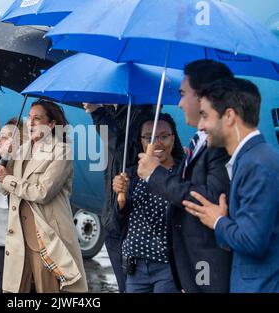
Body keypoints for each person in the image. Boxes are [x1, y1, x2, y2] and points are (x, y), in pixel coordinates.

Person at [137, 60, 234, 292]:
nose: (179, 104)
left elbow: (209, 198)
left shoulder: (220, 144)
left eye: (182, 94)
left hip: (209, 268)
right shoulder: (197, 140)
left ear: (202, 96)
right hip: (189, 269)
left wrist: (155, 175)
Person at [183, 78, 279, 292]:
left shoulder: (258, 164)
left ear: (229, 116)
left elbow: (253, 242)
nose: (200, 125)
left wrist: (218, 221)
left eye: (205, 116)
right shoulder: (251, 159)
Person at [0, 99, 88, 293]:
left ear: (52, 124)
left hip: (44, 236)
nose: (31, 123)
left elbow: (43, 192)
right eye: (29, 118)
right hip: (18, 236)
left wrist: (8, 179)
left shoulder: (61, 151)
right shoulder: (22, 149)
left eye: (37, 118)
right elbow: (4, 189)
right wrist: (7, 159)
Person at [84, 103, 155, 292]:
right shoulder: (114, 112)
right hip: (113, 219)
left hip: (132, 224)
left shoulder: (144, 112)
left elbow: (125, 151)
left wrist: (97, 113)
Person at [113, 113, 184, 293]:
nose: (157, 143)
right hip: (135, 268)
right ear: (142, 141)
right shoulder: (132, 174)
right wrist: (120, 200)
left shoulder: (182, 174)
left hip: (169, 267)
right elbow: (118, 223)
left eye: (164, 136)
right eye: (149, 137)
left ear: (173, 139)